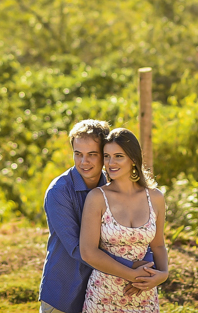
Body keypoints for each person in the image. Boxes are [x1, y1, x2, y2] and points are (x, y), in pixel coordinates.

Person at [40, 120, 160, 313]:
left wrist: (146, 269)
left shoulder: (113, 185)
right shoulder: (59, 192)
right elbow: (79, 249)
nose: (83, 162)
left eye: (92, 154)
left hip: (107, 289)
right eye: (78, 154)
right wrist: (132, 269)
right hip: (65, 293)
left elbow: (137, 233)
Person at [80, 128, 169, 313]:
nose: (111, 163)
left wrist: (163, 274)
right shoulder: (97, 197)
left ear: (133, 158)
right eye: (107, 156)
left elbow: (159, 245)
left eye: (118, 156)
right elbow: (88, 252)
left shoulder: (155, 198)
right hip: (103, 295)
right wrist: (133, 275)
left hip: (143, 294)